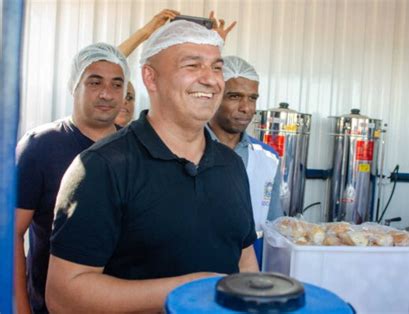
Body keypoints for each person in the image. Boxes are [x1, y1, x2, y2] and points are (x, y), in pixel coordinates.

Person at [46, 20, 258, 313]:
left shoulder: (231, 165)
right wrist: (187, 291)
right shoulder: (102, 167)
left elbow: (244, 259)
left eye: (217, 67)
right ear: (151, 77)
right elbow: (63, 297)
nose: (211, 79)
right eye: (193, 65)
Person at [14, 43, 130, 314]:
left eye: (117, 84)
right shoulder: (41, 146)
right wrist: (20, 308)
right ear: (74, 85)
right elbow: (10, 233)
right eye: (94, 82)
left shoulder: (136, 148)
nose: (106, 93)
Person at [206, 56, 283, 265]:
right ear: (215, 96)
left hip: (252, 266)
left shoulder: (268, 158)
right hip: (196, 265)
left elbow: (275, 225)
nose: (246, 107)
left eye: (252, 98)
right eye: (234, 96)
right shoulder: (189, 148)